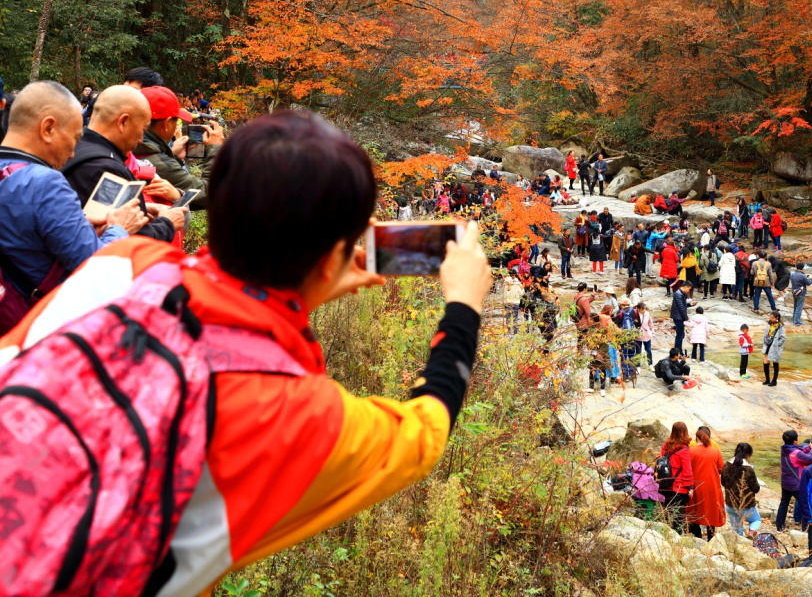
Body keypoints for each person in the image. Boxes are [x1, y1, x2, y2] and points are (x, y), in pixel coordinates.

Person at [0, 110, 493, 595]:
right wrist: (464, 305)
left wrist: (308, 286)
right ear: (329, 260)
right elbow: (425, 429)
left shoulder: (124, 261)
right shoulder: (298, 415)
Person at [0, 82, 147, 332]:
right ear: (48, 128)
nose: (71, 154)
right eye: (75, 138)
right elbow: (93, 268)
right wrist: (118, 228)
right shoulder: (45, 182)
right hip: (36, 326)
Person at [62, 86, 184, 242]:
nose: (141, 139)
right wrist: (167, 223)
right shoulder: (107, 169)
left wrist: (144, 210)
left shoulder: (73, 148)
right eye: (142, 129)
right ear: (123, 122)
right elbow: (129, 241)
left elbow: (106, 218)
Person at [136, 86, 225, 209]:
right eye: (176, 121)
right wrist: (215, 149)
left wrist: (171, 155)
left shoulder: (131, 149)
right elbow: (209, 194)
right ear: (167, 124)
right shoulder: (157, 162)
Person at [687, 426, 725, 539]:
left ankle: (697, 536)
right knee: (711, 511)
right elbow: (721, 469)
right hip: (712, 486)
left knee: (694, 510)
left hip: (695, 486)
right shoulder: (715, 451)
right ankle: (711, 537)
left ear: (696, 438)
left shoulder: (691, 451)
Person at [777, 431, 812, 532]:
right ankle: (805, 528)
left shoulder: (784, 449)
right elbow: (811, 458)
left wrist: (809, 447)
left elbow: (800, 451)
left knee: (784, 504)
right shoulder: (796, 453)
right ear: (795, 441)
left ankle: (779, 526)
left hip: (786, 483)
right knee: (805, 505)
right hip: (797, 484)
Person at [659, 422, 695, 532]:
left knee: (667, 512)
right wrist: (690, 487)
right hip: (678, 486)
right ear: (685, 432)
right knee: (678, 516)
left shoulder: (666, 445)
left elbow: (663, 461)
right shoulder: (684, 450)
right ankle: (677, 536)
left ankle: (666, 532)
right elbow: (687, 471)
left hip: (665, 483)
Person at [722, 443, 761, 537]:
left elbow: (723, 483)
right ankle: (751, 534)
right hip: (746, 505)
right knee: (756, 520)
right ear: (747, 455)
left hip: (730, 505)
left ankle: (739, 542)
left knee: (737, 531)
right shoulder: (748, 469)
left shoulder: (726, 465)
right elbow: (756, 488)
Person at [762, 311, 785, 386]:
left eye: (772, 318)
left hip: (775, 346)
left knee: (775, 361)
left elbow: (783, 338)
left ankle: (774, 381)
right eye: (770, 317)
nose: (771, 319)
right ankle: (767, 379)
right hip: (768, 344)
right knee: (766, 361)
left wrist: (776, 344)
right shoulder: (769, 324)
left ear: (777, 318)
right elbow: (766, 333)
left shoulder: (780, 326)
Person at [671, 281, 693, 356]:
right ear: (685, 286)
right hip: (678, 317)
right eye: (689, 289)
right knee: (679, 336)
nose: (688, 291)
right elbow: (681, 308)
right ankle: (677, 352)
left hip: (679, 316)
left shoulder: (680, 293)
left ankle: (679, 351)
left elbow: (682, 305)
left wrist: (689, 304)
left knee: (681, 335)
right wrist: (686, 318)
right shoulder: (678, 294)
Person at [790, 262, 812, 326]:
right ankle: (796, 322)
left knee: (795, 306)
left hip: (794, 292)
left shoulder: (792, 274)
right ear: (802, 268)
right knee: (799, 307)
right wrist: (810, 279)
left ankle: (794, 319)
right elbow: (808, 283)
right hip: (801, 292)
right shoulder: (802, 276)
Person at [504, 269, 524, 334]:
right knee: (515, 317)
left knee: (508, 317)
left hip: (508, 302)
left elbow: (505, 293)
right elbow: (522, 293)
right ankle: (515, 332)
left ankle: (509, 331)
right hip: (514, 302)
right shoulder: (518, 283)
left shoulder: (506, 282)